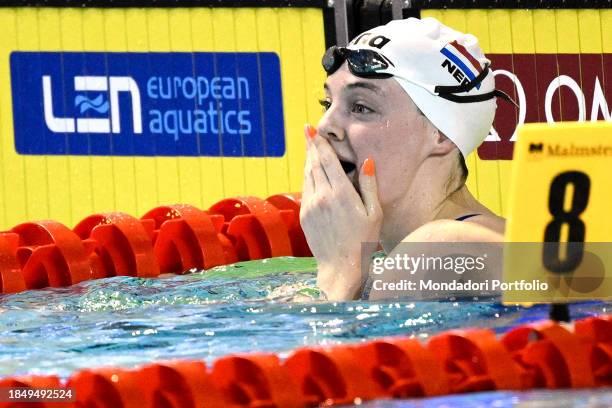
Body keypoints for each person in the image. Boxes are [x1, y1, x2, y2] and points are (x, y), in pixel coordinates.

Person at [299, 17, 515, 301]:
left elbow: (330, 344)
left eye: (361, 107)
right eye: (327, 104)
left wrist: (338, 272)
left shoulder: (434, 250)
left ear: (440, 134)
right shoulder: (470, 241)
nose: (326, 125)